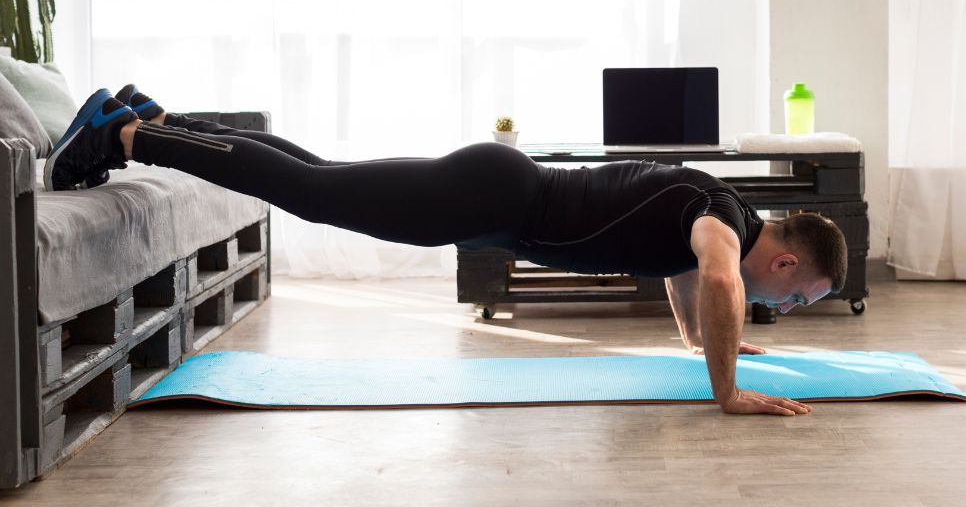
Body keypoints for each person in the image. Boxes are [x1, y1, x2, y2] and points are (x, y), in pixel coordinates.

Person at [45, 84, 848, 417]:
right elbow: (713, 274)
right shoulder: (723, 225)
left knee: (321, 177)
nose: (789, 309)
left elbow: (684, 275)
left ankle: (146, 115)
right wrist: (728, 391)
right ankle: (128, 134)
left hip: (497, 189)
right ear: (784, 264)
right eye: (799, 297)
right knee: (316, 193)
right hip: (495, 198)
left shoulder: (725, 210)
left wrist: (698, 341)